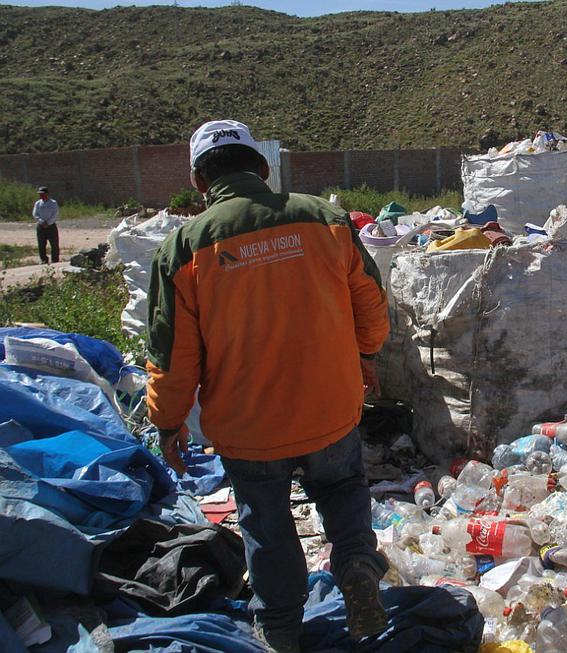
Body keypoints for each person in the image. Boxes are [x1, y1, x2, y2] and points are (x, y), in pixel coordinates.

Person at [145, 120, 390, 652]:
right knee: (343, 489)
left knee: (267, 524)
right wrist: (366, 354)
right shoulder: (324, 217)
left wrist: (167, 423)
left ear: (198, 178)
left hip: (249, 426)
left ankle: (280, 628)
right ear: (261, 167)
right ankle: (355, 564)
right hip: (329, 406)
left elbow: (173, 356)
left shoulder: (184, 247)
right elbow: (370, 302)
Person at [33, 186, 59, 264]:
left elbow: (55, 214)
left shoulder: (53, 203)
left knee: (54, 244)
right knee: (41, 244)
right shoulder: (37, 203)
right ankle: (43, 259)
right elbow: (35, 214)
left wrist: (48, 222)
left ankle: (55, 259)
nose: (41, 196)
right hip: (41, 226)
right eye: (40, 194)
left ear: (47, 194)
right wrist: (41, 221)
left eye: (43, 194)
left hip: (51, 226)